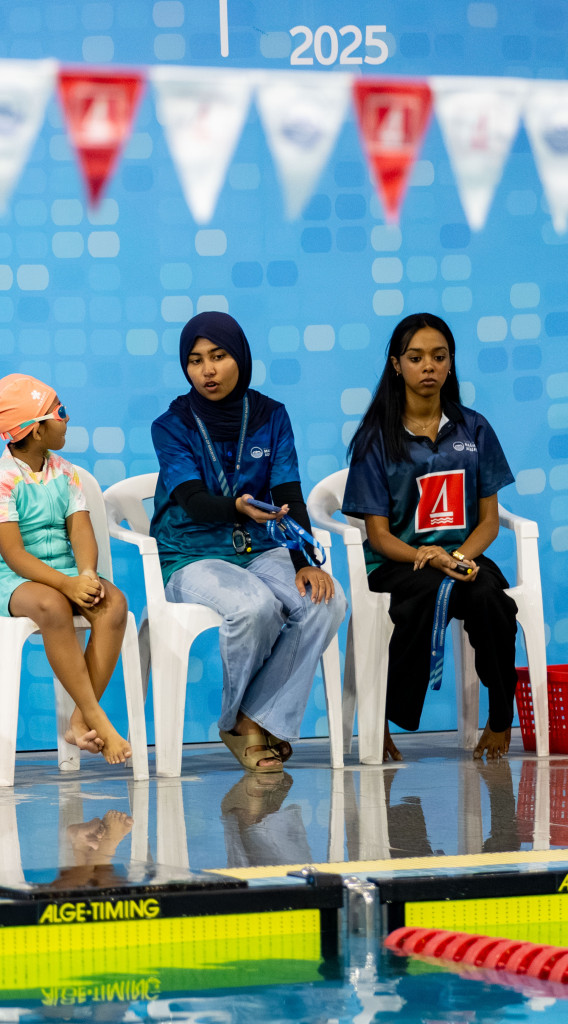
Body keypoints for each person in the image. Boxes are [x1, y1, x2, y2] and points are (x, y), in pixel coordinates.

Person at [150, 312, 346, 773]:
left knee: (325, 603)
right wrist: (237, 507)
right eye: (195, 361)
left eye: (218, 356)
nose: (208, 370)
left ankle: (249, 719)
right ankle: (247, 723)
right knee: (254, 606)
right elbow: (193, 500)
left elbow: (289, 493)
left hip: (257, 546)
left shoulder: (269, 416)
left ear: (239, 357)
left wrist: (305, 559)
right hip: (190, 551)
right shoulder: (172, 424)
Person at [342, 312, 518, 763]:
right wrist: (430, 557)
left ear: (451, 364)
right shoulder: (374, 440)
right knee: (424, 594)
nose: (429, 367)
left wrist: (455, 556)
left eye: (439, 357)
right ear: (397, 365)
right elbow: (378, 536)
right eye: (416, 358)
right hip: (397, 564)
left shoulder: (474, 428)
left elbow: (489, 522)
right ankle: (381, 715)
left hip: (462, 554)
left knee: (490, 598)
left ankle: (500, 717)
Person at [0, 373, 131, 764]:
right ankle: (97, 715)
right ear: (34, 430)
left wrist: (87, 575)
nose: (67, 417)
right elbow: (13, 555)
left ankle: (81, 719)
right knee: (52, 605)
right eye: (59, 412)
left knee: (113, 603)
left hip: (66, 575)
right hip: (14, 581)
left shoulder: (66, 472)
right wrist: (66, 584)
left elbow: (81, 531)